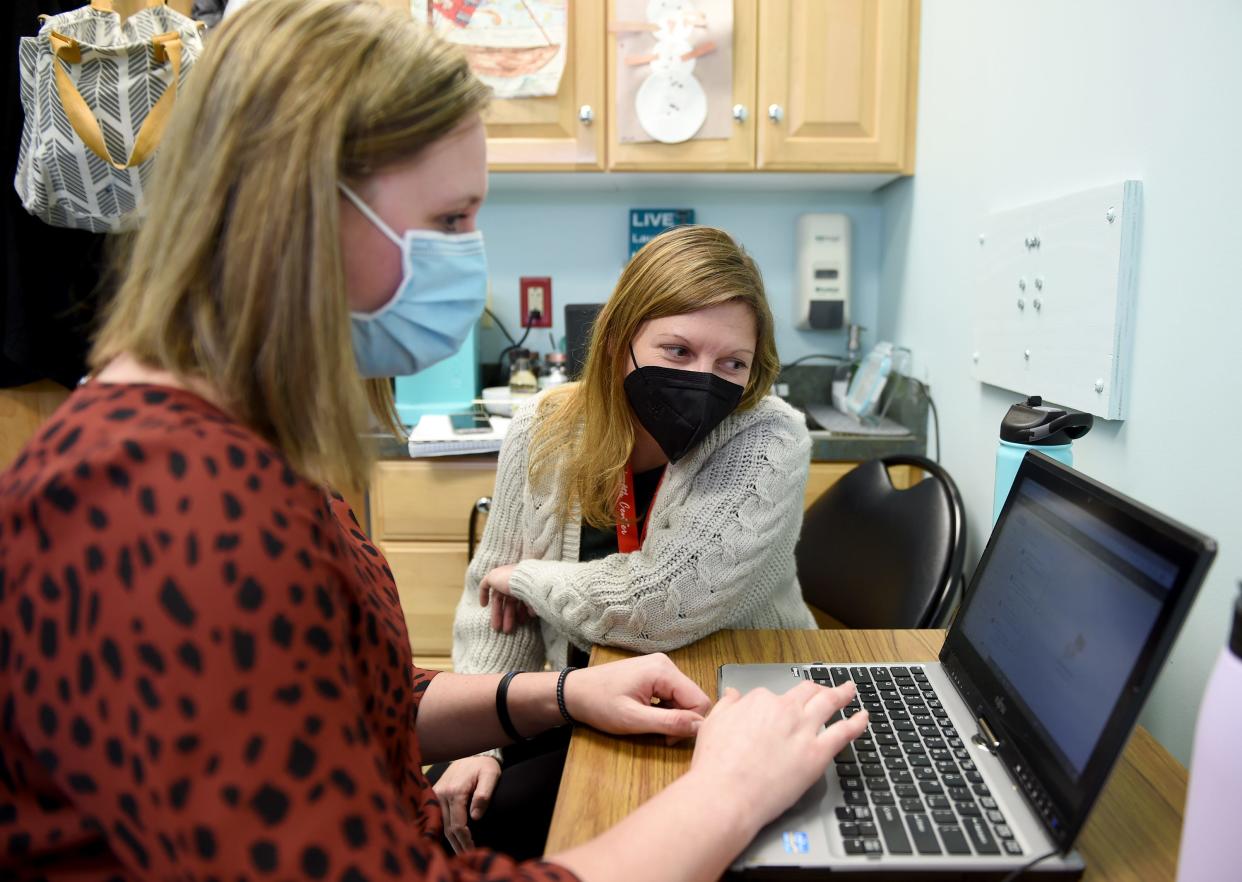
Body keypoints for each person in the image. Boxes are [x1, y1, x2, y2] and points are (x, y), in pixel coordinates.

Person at [0, 2, 867, 880]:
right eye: (452, 221)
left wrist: (560, 693)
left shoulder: (241, 460)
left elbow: (353, 704)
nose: (469, 260)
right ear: (295, 209)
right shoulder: (166, 512)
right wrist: (729, 792)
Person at [434, 225, 819, 855]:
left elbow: (664, 603)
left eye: (732, 363)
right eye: (677, 350)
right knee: (452, 806)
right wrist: (479, 742)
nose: (704, 378)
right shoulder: (543, 427)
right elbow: (491, 610)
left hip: (728, 700)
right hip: (582, 692)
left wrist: (530, 578)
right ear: (620, 343)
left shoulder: (768, 439)